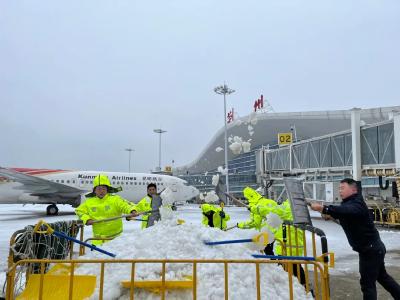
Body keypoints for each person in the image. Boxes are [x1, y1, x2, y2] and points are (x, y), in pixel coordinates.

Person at [311, 178, 400, 300]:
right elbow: (345, 216)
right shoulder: (349, 203)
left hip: (370, 250)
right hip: (373, 249)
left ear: (353, 189)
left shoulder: (356, 203)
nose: (339, 191)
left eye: (342, 188)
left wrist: (324, 208)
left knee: (367, 284)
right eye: (339, 188)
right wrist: (331, 216)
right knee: (382, 277)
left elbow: (348, 211)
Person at [75, 174, 138, 245]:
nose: (101, 191)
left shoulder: (115, 199)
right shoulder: (89, 202)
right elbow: (79, 211)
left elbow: (125, 205)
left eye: (104, 189)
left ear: (107, 190)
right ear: (94, 191)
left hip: (115, 240)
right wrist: (86, 219)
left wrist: (132, 210)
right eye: (99, 189)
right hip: (97, 241)